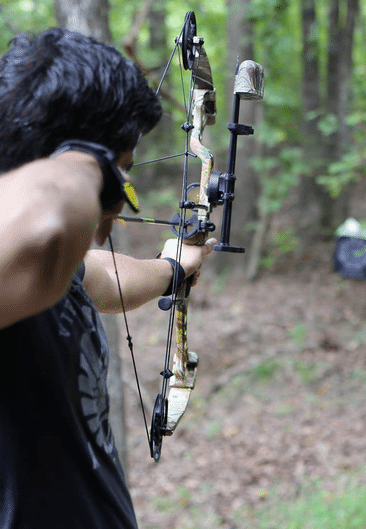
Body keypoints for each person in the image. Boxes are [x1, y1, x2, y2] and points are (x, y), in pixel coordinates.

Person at [0, 28, 215, 528]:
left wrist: (172, 270)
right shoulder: (20, 255)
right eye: (123, 175)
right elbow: (43, 221)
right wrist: (93, 165)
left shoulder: (51, 271)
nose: (117, 210)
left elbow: (98, 276)